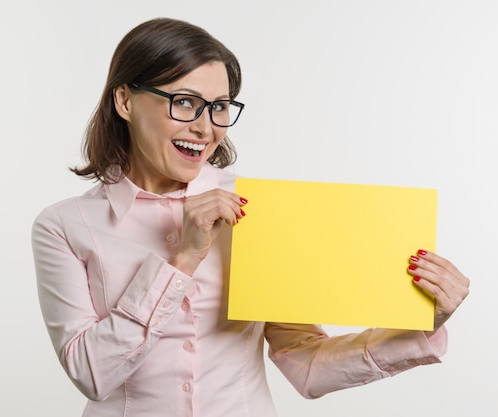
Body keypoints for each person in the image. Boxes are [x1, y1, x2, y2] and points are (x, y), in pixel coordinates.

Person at [31, 17, 470, 417]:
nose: (206, 128)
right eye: (184, 102)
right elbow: (91, 373)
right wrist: (182, 258)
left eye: (219, 106)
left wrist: (420, 324)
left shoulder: (256, 211)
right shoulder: (64, 226)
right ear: (125, 101)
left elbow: (306, 363)